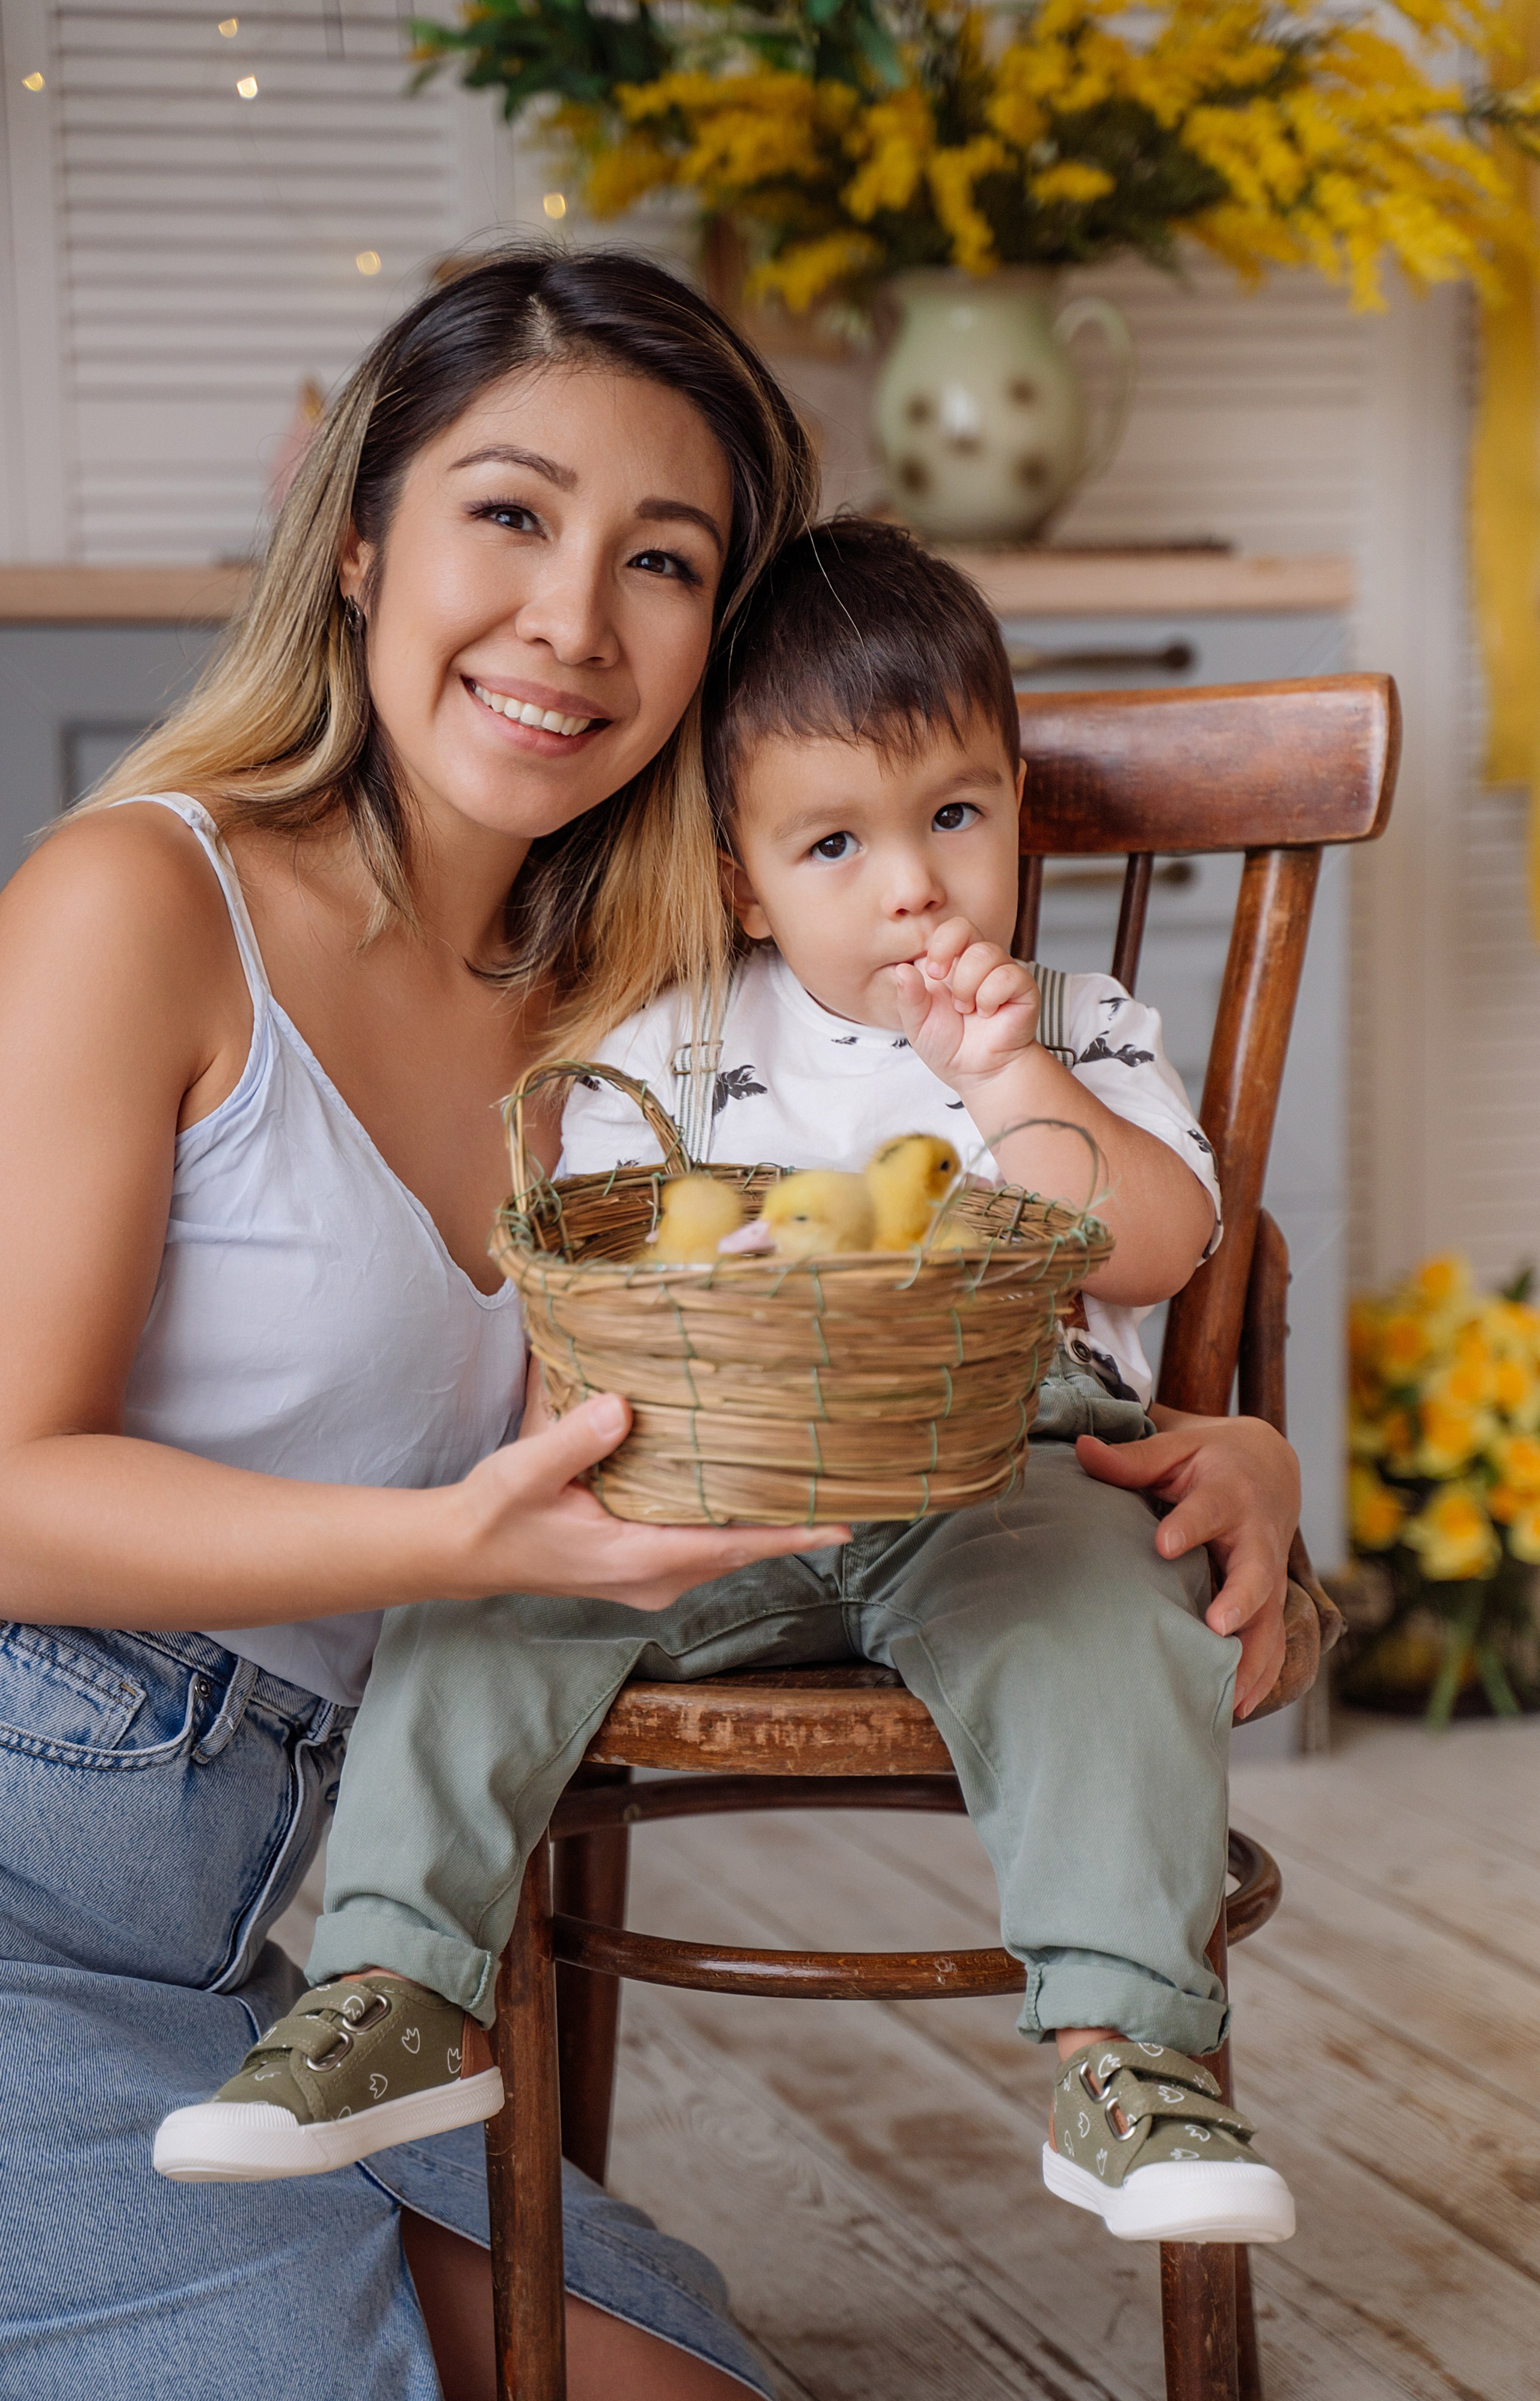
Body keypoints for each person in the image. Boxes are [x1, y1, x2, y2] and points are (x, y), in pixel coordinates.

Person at [160, 517, 1298, 2254]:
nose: (913, 884)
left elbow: (1144, 1246)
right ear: (750, 878)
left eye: (955, 819)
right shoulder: (665, 1038)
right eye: (836, 840)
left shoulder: (1081, 1026)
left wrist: (1003, 1080)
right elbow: (583, 1289)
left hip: (996, 1472)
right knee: (485, 1604)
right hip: (701, 1486)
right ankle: (396, 1986)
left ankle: (1128, 2047)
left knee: (1107, 1616)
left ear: (1015, 811)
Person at [0, 248, 847, 2401]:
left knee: (684, 2385)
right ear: (362, 536)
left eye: (662, 562)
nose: (573, 620)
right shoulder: (143, 902)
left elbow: (889, 1359)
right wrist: (462, 1545)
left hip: (240, 1960)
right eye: (511, 513)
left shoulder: (643, 1039)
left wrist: (1189, 1451)